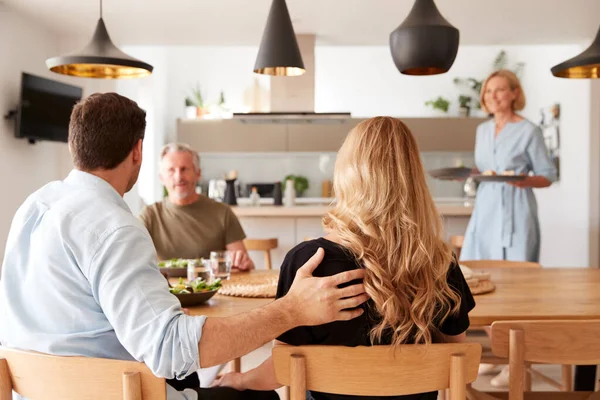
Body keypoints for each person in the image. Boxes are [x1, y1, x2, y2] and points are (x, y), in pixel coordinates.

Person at [0, 93, 369, 400]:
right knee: (259, 395)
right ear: (138, 152)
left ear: (73, 145)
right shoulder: (115, 228)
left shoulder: (34, 206)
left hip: (36, 391)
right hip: (110, 392)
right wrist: (290, 311)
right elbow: (171, 352)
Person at [212, 117, 476, 400]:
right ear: (412, 176)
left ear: (347, 173)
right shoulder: (440, 261)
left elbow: (282, 369)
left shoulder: (308, 262)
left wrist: (239, 379)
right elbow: (455, 354)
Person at [459, 70, 557, 387]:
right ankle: (504, 353)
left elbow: (547, 175)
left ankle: (519, 363)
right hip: (486, 212)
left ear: (515, 93)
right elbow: (484, 169)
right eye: (489, 92)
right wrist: (470, 174)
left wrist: (520, 180)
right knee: (479, 283)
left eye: (500, 90)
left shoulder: (529, 130)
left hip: (517, 211)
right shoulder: (482, 130)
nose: (493, 97)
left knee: (517, 289)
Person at [140, 142, 253, 271]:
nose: (178, 177)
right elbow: (134, 260)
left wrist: (242, 263)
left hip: (210, 289)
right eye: (171, 170)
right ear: (161, 177)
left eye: (184, 169)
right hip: (163, 289)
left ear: (198, 173)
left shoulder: (222, 213)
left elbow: (245, 264)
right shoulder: (149, 215)